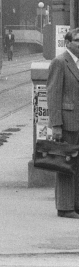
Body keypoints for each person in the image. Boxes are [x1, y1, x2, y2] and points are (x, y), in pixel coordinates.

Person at [46, 28, 79, 218]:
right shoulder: (60, 62)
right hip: (67, 123)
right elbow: (53, 94)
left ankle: (76, 204)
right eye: (78, 40)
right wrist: (56, 125)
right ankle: (65, 207)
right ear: (68, 43)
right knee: (66, 164)